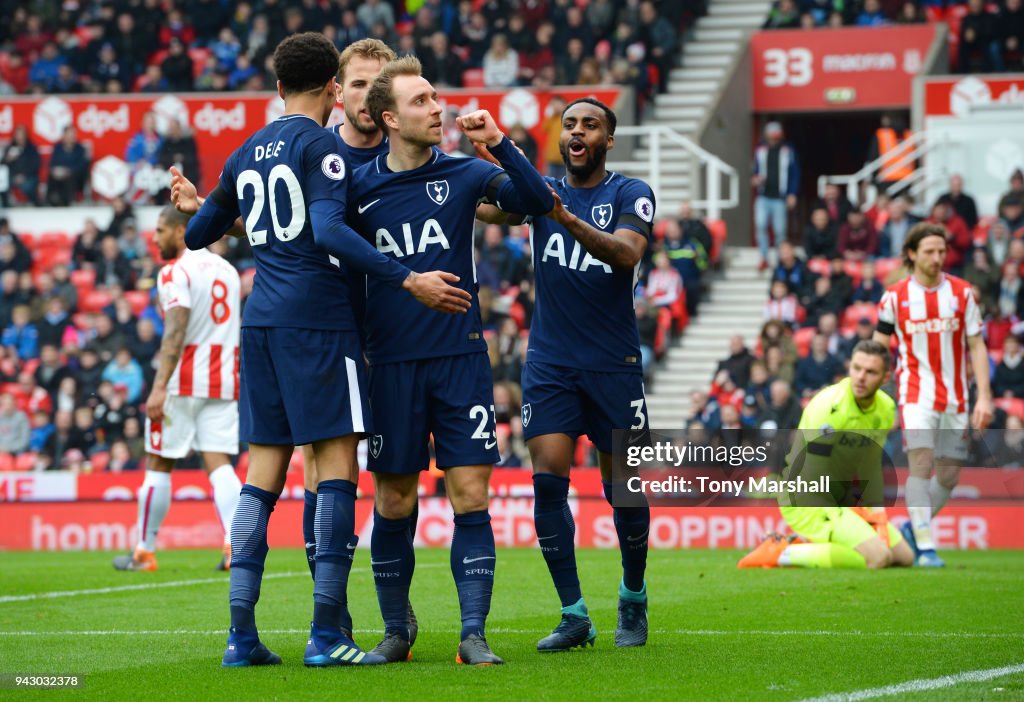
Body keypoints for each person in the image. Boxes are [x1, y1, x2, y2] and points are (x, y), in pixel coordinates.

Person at [175, 33, 470, 669]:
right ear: (334, 90)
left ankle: (240, 637)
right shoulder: (322, 149)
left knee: (262, 479)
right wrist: (406, 276)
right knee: (336, 471)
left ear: (278, 87)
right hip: (320, 322)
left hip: (262, 326)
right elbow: (330, 228)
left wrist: (197, 204)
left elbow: (198, 235)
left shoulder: (245, 151)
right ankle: (326, 632)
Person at [351, 55, 554, 666]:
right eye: (421, 101)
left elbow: (536, 202)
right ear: (388, 117)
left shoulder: (466, 174)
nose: (437, 108)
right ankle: (395, 631)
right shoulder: (356, 186)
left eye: (436, 97)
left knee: (470, 493)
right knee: (393, 503)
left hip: (459, 358)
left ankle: (473, 634)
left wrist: (501, 146)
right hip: (388, 364)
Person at [485, 98, 656, 650]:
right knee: (547, 480)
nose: (577, 131)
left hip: (614, 363)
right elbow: (482, 204)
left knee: (622, 491)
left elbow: (626, 255)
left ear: (609, 139)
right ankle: (574, 613)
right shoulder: (538, 193)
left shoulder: (631, 194)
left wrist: (561, 215)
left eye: (590, 125)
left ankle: (632, 598)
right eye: (570, 125)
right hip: (551, 362)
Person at [111, 206, 243, 573]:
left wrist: (158, 388)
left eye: (160, 230)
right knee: (219, 465)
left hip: (182, 380)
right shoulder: (228, 271)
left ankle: (144, 552)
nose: (154, 238)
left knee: (159, 462)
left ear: (183, 230)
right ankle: (236, 547)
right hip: (222, 379)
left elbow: (175, 330)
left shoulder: (175, 271)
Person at [873, 223, 993, 567]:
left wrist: (984, 396)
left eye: (941, 251)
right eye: (929, 251)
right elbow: (880, 348)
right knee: (921, 466)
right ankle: (925, 548)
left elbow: (977, 345)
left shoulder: (963, 294)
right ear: (912, 254)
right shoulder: (894, 297)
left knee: (949, 476)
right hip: (915, 393)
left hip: (956, 396)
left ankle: (913, 528)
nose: (937, 258)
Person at [739, 340, 915, 569]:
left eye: (870, 372)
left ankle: (812, 544)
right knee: (878, 557)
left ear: (885, 378)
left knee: (904, 557)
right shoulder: (830, 406)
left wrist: (876, 511)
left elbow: (871, 464)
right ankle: (782, 552)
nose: (861, 377)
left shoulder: (886, 408)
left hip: (842, 498)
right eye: (856, 368)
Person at [752, 122, 800, 271]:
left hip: (780, 197)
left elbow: (795, 173)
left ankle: (781, 258)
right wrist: (755, 178)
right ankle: (764, 257)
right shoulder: (760, 150)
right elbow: (756, 170)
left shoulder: (788, 150)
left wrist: (792, 193)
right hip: (763, 195)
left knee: (780, 231)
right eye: (771, 137)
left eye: (776, 137)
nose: (774, 140)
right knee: (760, 225)